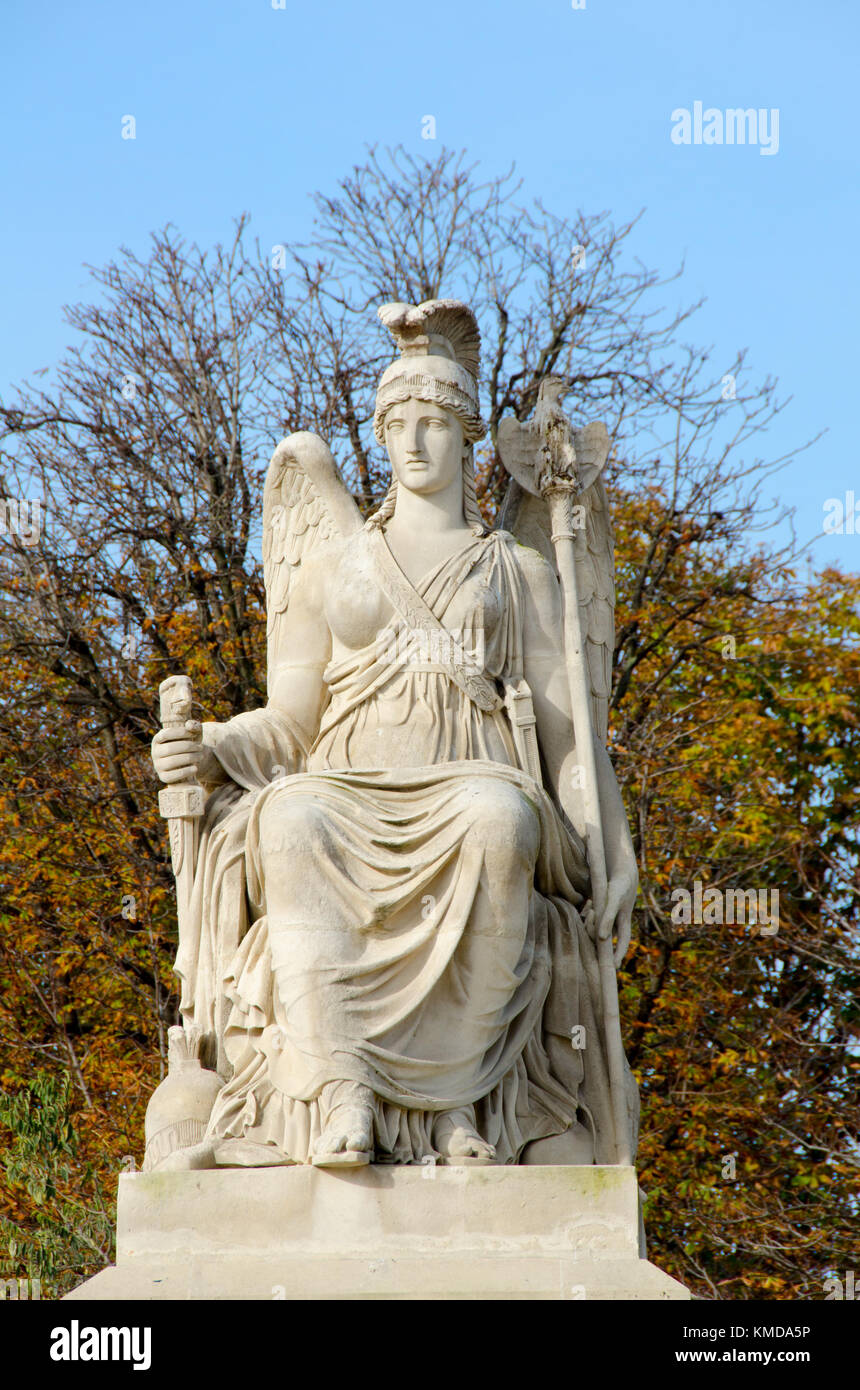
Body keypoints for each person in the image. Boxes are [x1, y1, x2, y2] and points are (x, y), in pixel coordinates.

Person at [151, 300, 639, 1168]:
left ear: (465, 437)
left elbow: (571, 738)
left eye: (434, 424)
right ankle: (344, 1090)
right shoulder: (340, 563)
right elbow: (290, 722)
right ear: (379, 436)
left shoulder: (517, 565)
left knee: (500, 822)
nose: (414, 443)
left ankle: (459, 1107)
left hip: (475, 778)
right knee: (287, 818)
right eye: (397, 425)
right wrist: (213, 745)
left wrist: (618, 845)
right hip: (342, 786)